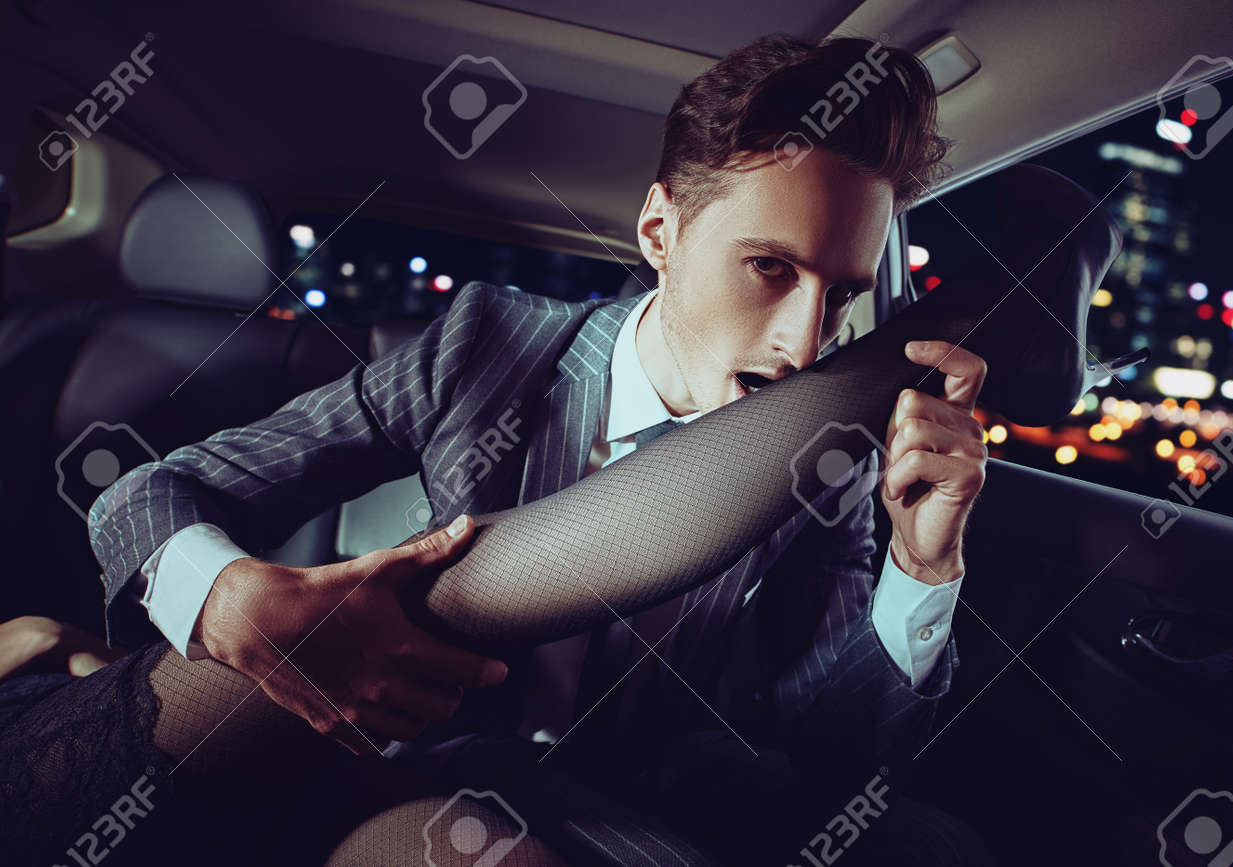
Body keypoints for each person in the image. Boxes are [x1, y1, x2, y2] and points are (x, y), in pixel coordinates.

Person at [12, 33, 1012, 865]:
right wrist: (227, 595)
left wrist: (922, 565)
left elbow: (834, 750)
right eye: (769, 268)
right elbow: (148, 494)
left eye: (839, 296)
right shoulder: (489, 345)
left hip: (620, 803)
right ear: (659, 230)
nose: (802, 343)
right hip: (393, 772)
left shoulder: (825, 451)